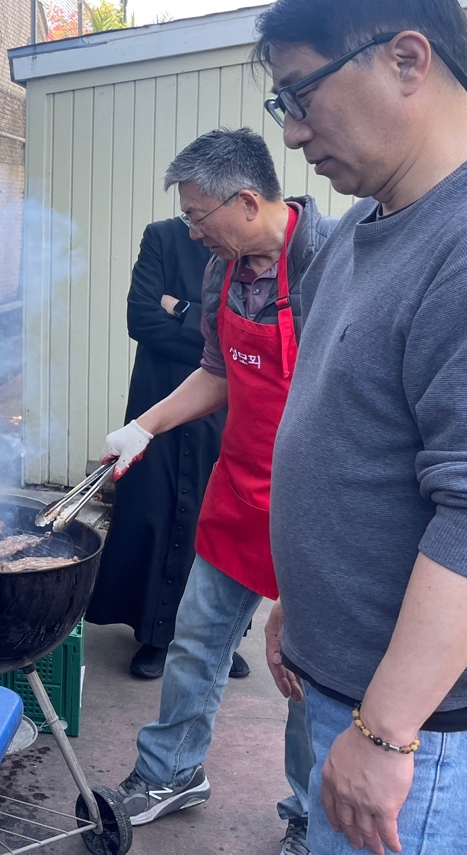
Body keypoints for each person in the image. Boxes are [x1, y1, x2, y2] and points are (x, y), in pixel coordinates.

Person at [259, 0, 467, 855]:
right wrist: (302, 605)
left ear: (407, 59)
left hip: (427, 728)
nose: (291, 133)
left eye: (300, 95)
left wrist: (388, 729)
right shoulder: (364, 225)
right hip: (353, 681)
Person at [103, 128, 335, 855]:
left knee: (306, 670)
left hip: (320, 502)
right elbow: (218, 370)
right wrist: (144, 425)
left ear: (244, 201)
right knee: (196, 637)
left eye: (199, 215)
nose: (192, 229)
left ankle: (306, 814)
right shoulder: (223, 270)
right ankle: (170, 772)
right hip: (238, 487)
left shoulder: (335, 263)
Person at [87, 216, 226, 680]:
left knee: (214, 516)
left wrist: (182, 310)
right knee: (154, 510)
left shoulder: (245, 245)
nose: (196, 225)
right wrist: (213, 333)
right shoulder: (162, 237)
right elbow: (140, 320)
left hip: (219, 403)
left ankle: (214, 635)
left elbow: (245, 332)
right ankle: (155, 635)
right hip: (158, 397)